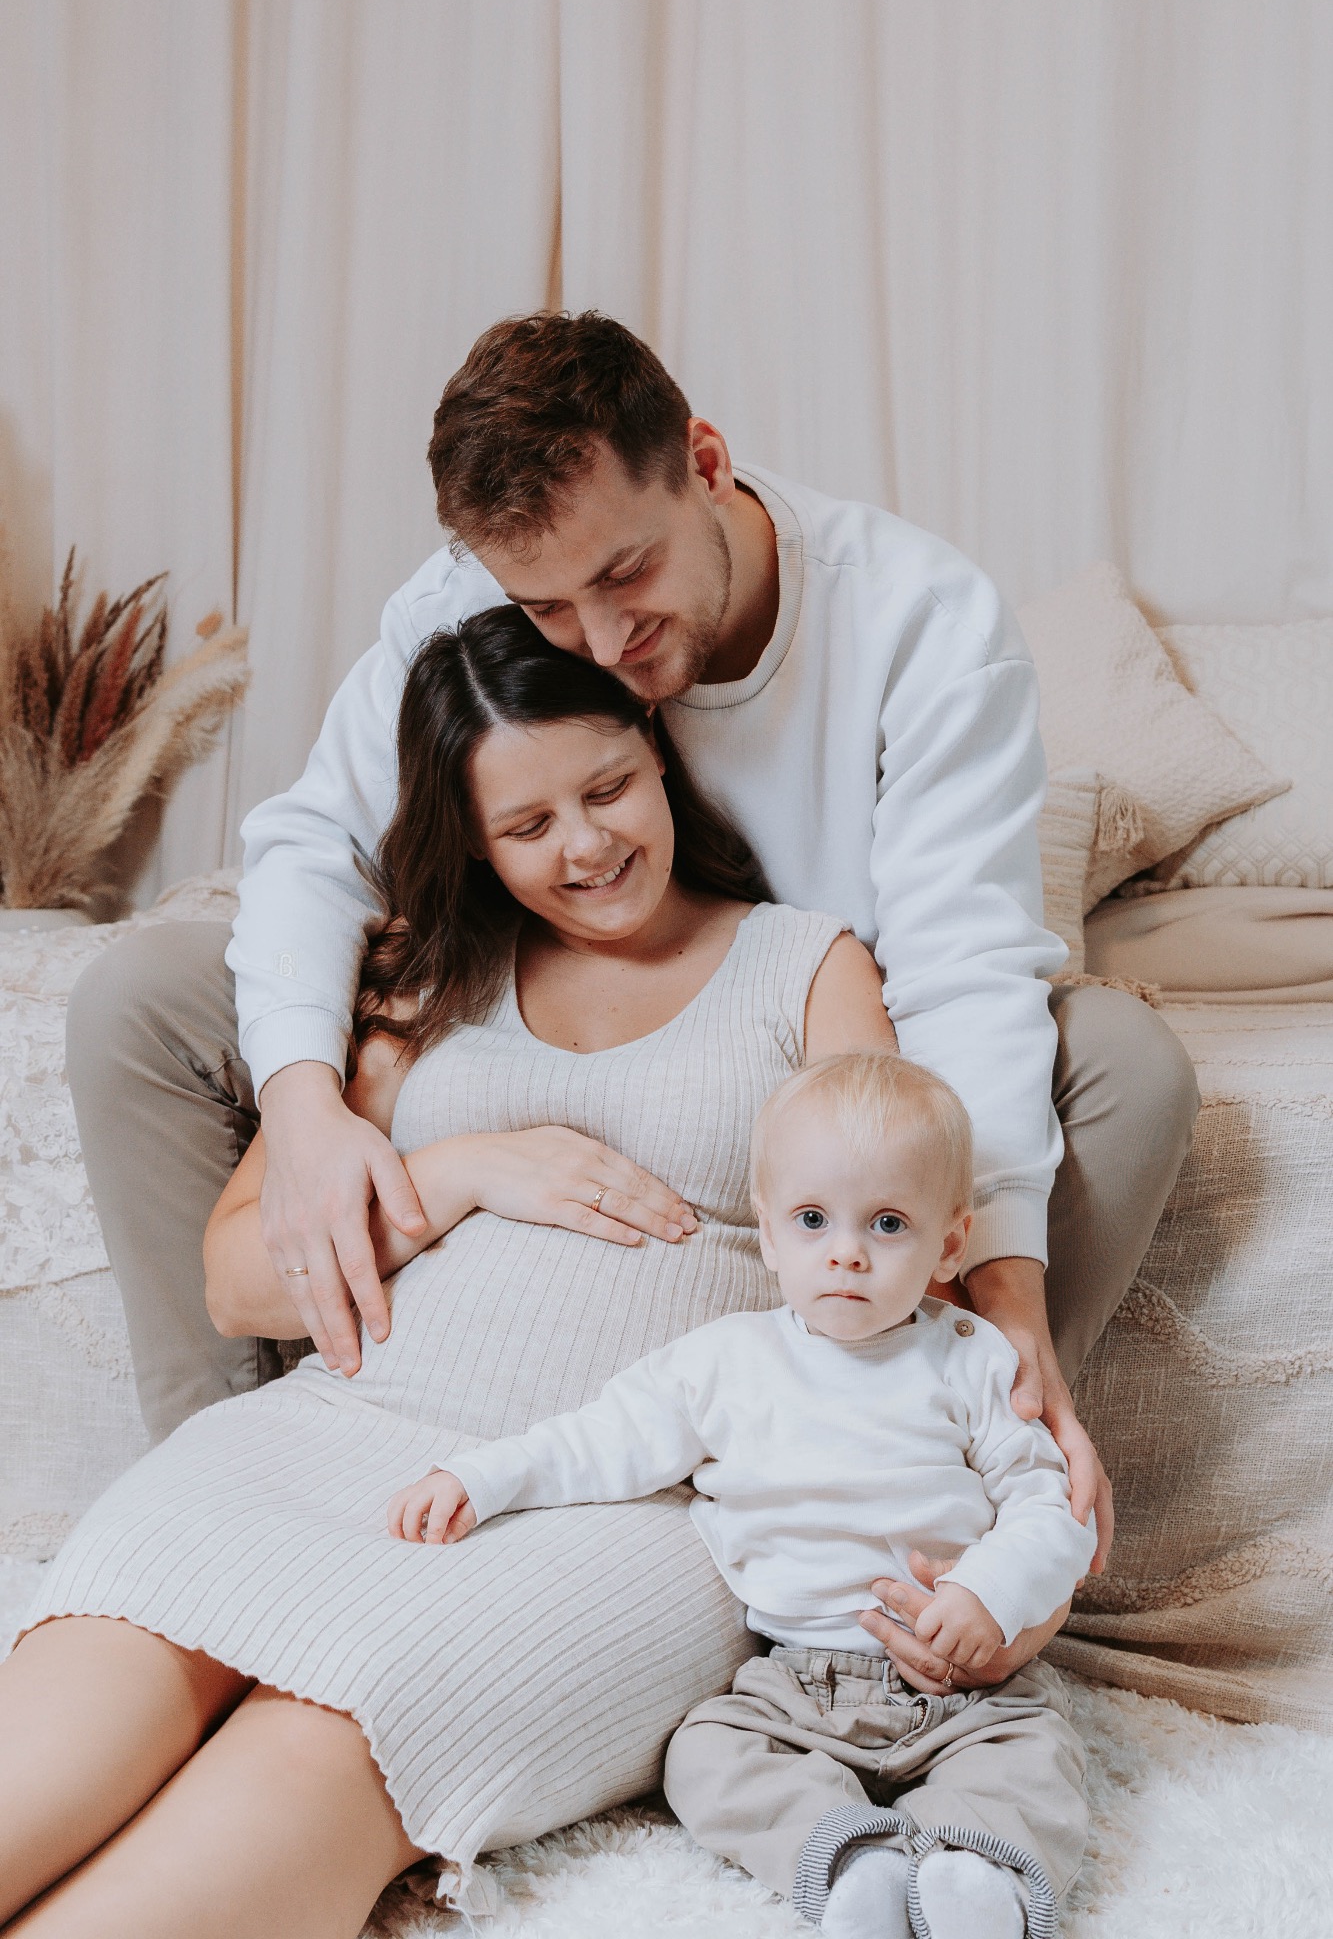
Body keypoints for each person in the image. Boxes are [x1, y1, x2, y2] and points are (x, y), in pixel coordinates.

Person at [63, 309, 1199, 1672]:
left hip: (825, 1039)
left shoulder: (919, 618)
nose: (598, 639)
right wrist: (306, 1109)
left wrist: (1003, 1296)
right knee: (145, 994)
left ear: (706, 464)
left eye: (627, 574)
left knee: (1121, 1061)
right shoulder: (472, 595)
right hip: (529, 976)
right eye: (548, 610)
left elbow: (963, 970)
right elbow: (316, 846)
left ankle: (945, 1481)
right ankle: (217, 1474)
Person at [1, 609, 942, 1933]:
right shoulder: (429, 981)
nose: (586, 845)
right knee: (62, 1726)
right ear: (474, 842)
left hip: (619, 1509)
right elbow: (236, 1283)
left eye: (606, 789)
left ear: (657, 750)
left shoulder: (805, 966)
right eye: (527, 824)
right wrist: (462, 1173)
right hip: (321, 1442)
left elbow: (904, 1248)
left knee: (306, 1751)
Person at [389, 1051, 1095, 1939]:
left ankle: (976, 1882)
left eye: (886, 1223)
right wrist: (479, 1477)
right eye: (812, 1219)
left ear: (949, 1244)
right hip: (794, 1684)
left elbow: (1050, 1506)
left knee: (1034, 1760)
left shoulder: (972, 1357)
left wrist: (985, 1593)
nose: (845, 1251)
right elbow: (598, 1439)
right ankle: (853, 1865)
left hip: (970, 1691)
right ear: (767, 1234)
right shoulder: (725, 1362)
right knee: (704, 1755)